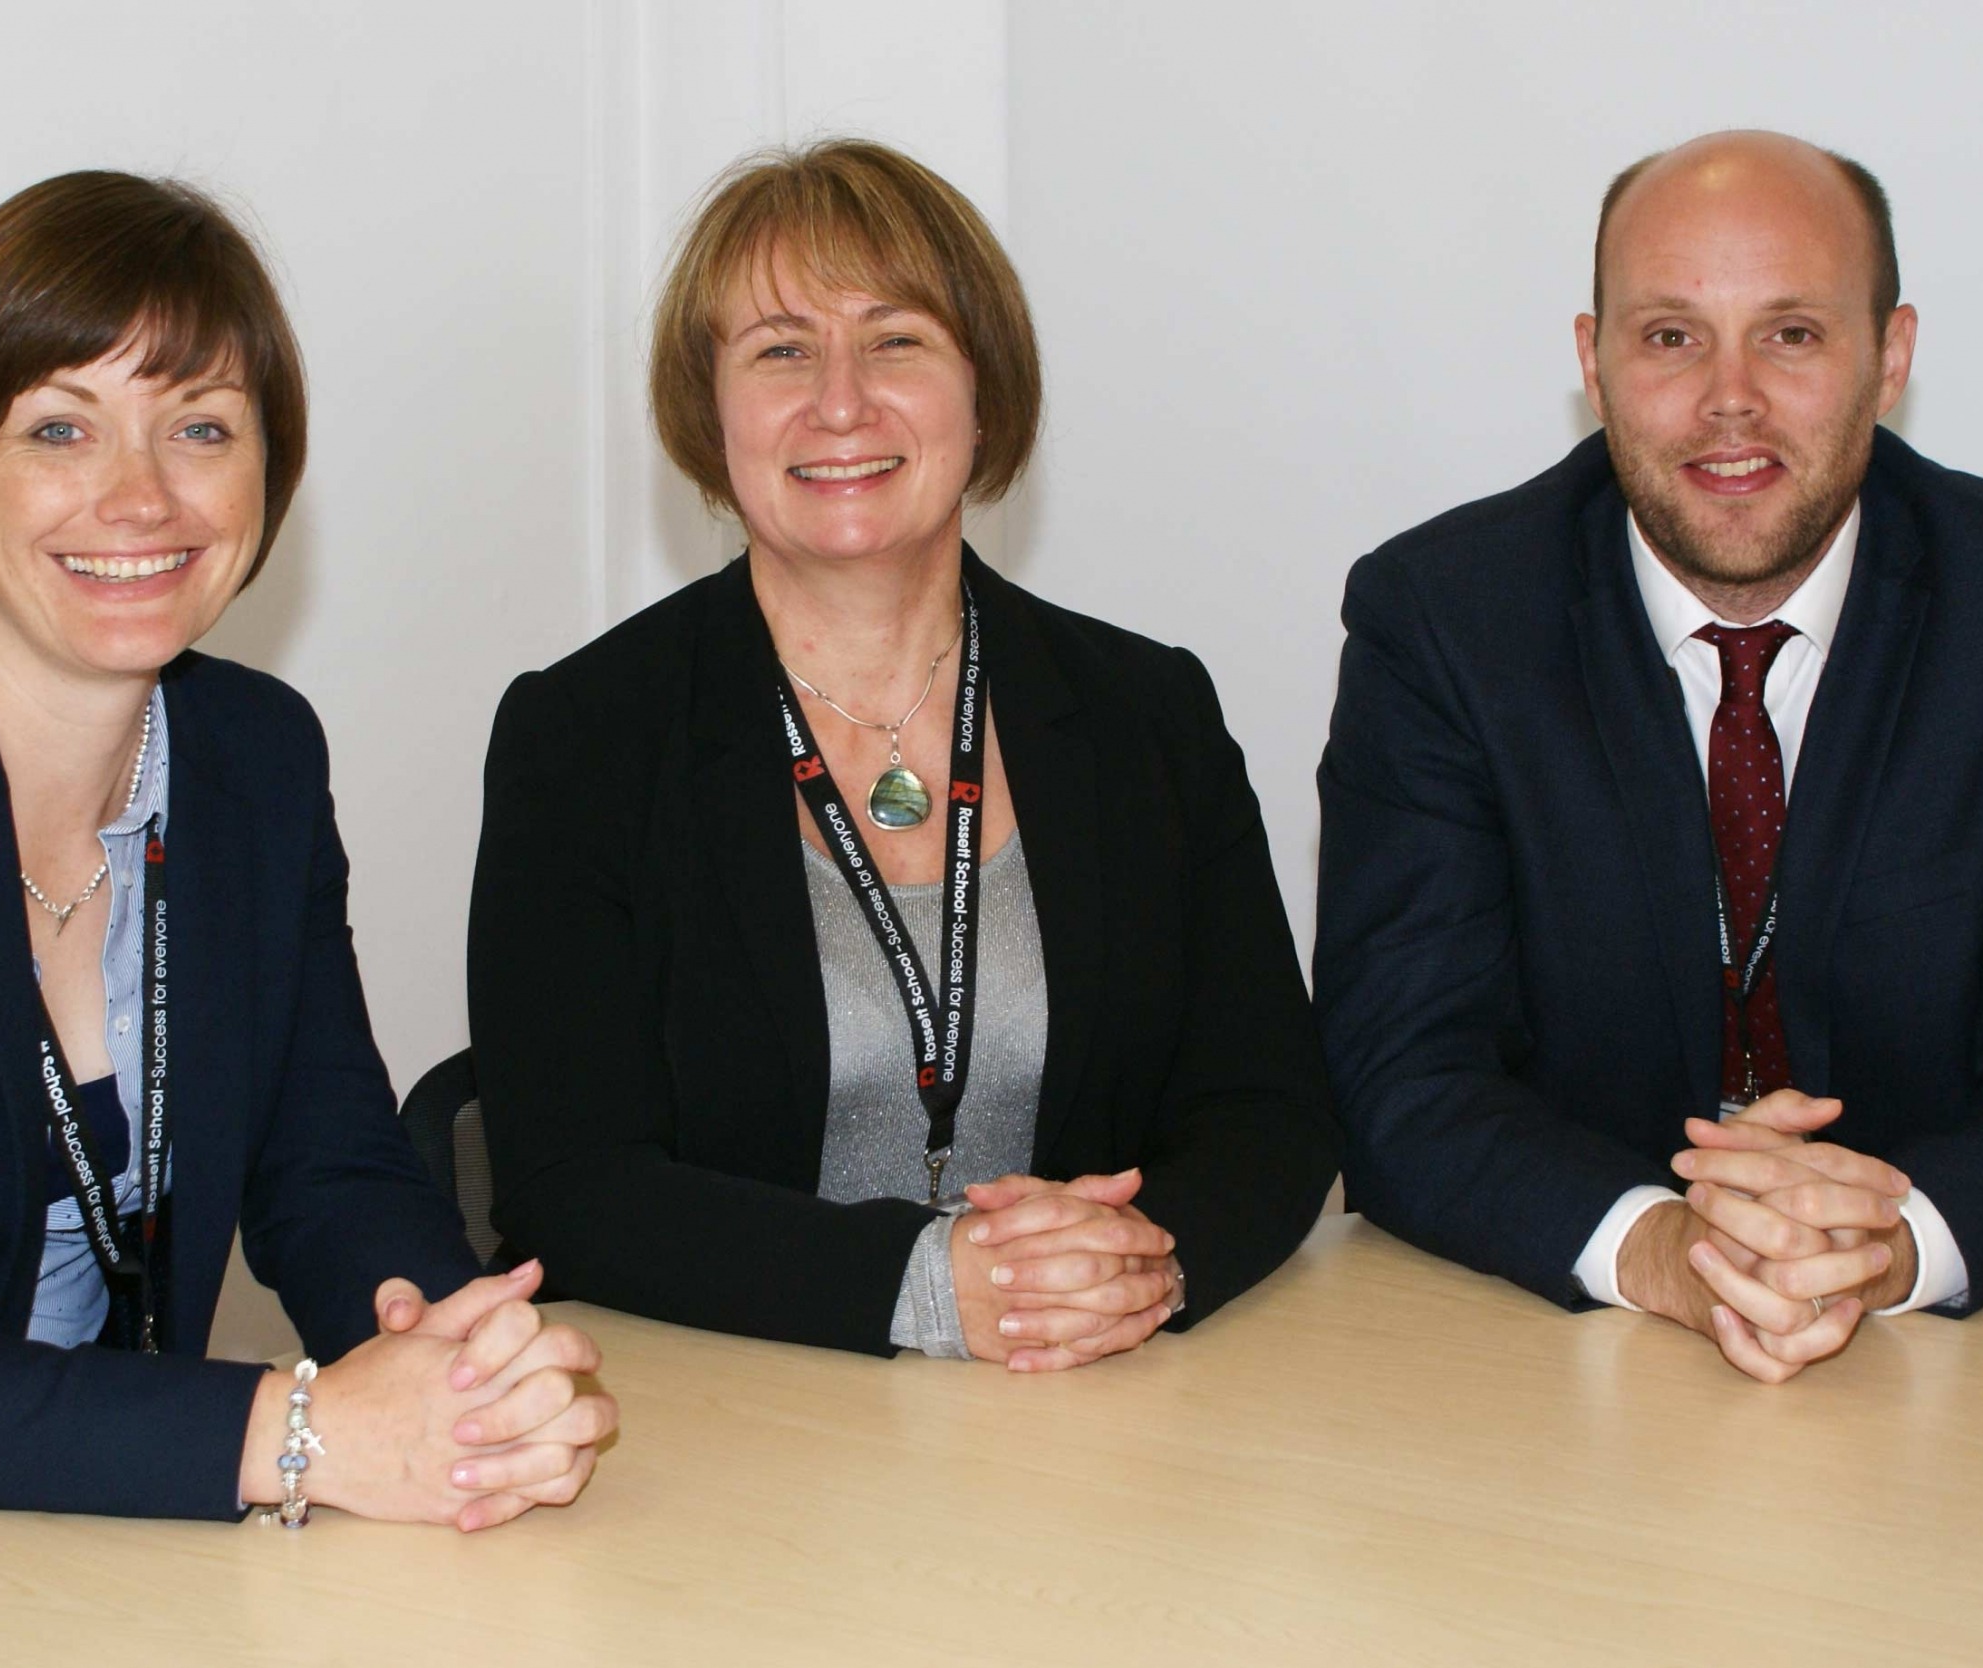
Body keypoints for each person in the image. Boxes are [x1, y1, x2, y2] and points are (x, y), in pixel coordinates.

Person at [0, 171, 615, 1563]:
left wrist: (457, 1363)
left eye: (200, 426)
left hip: (102, 1528)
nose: (138, 495)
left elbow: (327, 1170)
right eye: (60, 428)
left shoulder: (255, 758)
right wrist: (305, 1434)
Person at [1314, 130, 1983, 1383]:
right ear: (1591, 364)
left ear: (1891, 358)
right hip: (1547, 1365)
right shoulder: (1441, 618)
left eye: (1792, 334)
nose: (1729, 398)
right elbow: (1399, 1070)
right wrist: (1668, 1252)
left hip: (1951, 1383)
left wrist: (1878, 1251)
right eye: (1669, 335)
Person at [469, 140, 1335, 1369]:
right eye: (779, 349)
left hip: (1096, 1410)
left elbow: (1270, 1110)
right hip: (742, 1418)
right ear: (708, 413)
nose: (840, 401)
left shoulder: (1148, 714)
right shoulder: (585, 738)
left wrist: (1139, 1265)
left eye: (897, 340)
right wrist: (924, 1284)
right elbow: (569, 1181)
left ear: (984, 391)